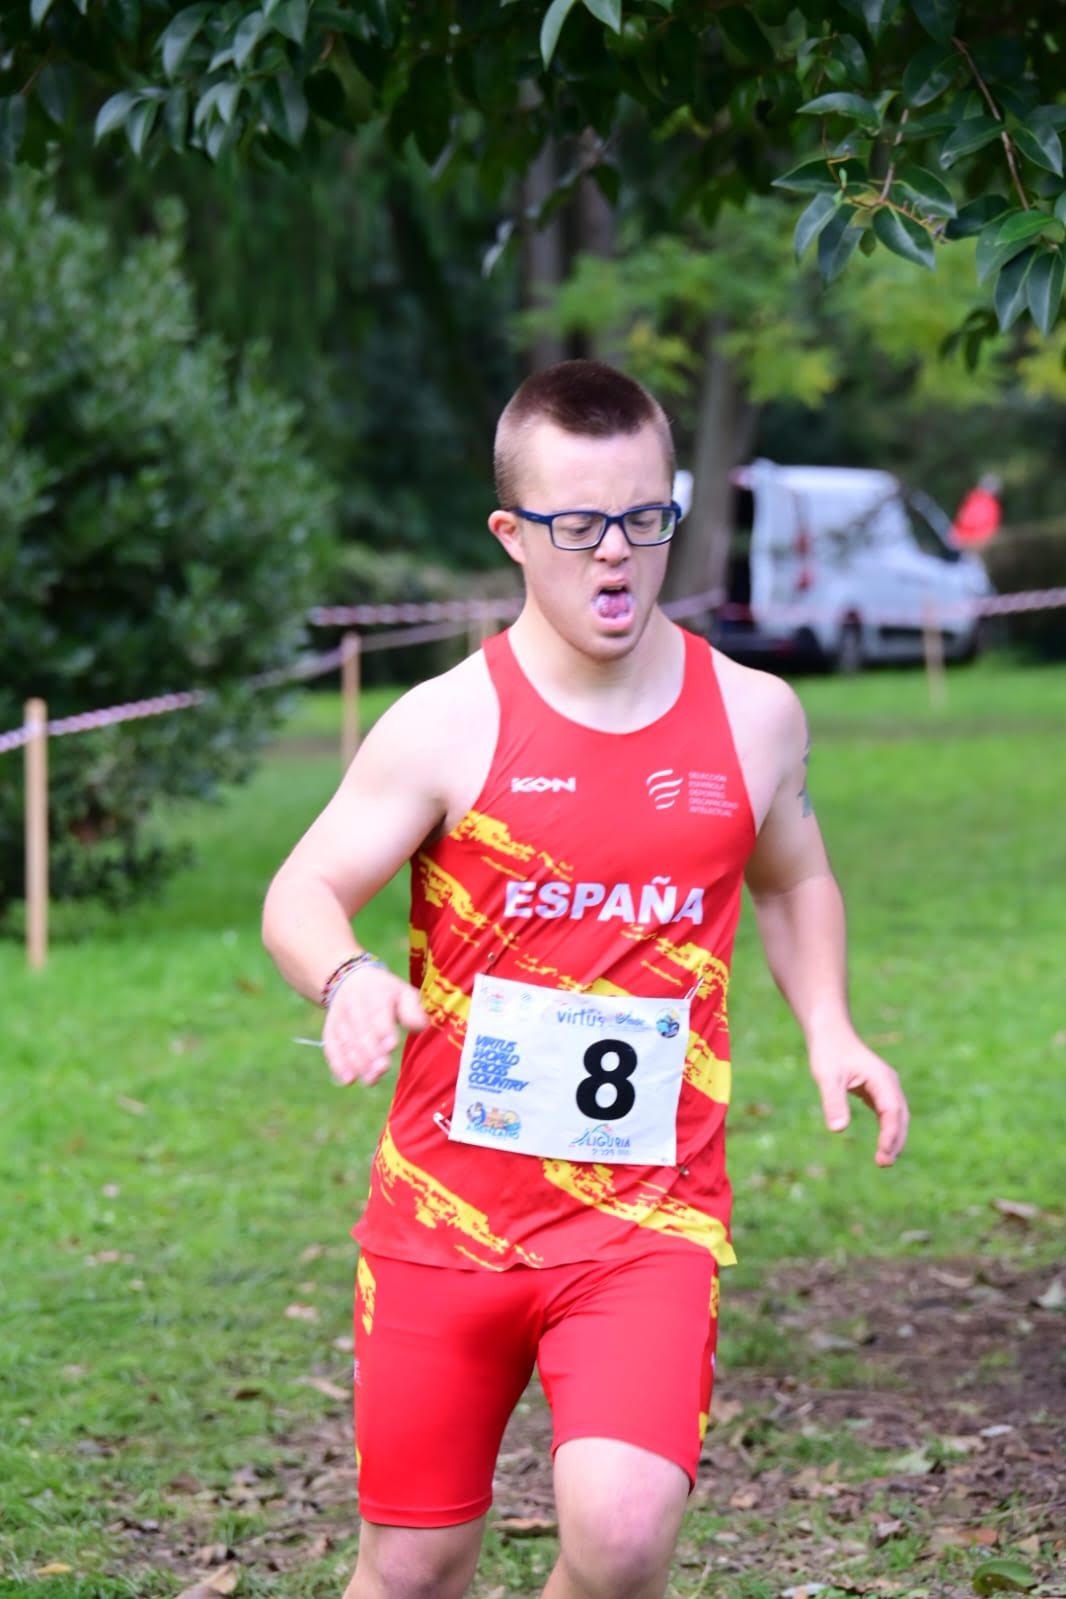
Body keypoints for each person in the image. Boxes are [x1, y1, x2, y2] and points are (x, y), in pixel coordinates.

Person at [262, 360, 909, 1599]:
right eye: (575, 527)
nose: (613, 555)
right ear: (511, 534)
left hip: (645, 1220)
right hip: (447, 1218)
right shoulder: (446, 723)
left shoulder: (754, 716)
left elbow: (791, 876)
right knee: (414, 1564)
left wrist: (830, 1024)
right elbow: (298, 891)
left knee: (619, 1543)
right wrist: (343, 974)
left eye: (642, 518)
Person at [951, 473, 1002, 549]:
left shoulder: (989, 505)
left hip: (968, 544)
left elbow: (967, 519)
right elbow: (962, 516)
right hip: (958, 539)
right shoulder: (974, 498)